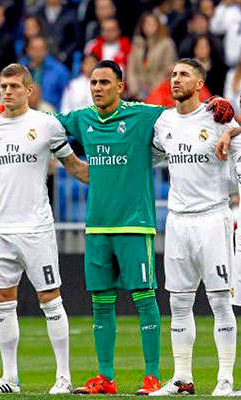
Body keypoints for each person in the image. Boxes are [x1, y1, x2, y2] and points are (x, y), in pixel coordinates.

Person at [0, 59, 235, 395]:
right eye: (94, 82)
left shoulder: (147, 115)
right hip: (97, 226)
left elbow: (190, 117)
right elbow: (42, 123)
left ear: (120, 85)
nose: (98, 88)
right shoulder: (81, 118)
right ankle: (106, 377)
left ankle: (153, 376)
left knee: (147, 299)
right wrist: (4, 107)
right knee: (102, 302)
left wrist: (222, 112)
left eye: (104, 82)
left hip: (136, 224)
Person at [0, 63, 88, 394]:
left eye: (14, 86)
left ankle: (63, 377)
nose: (7, 91)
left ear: (29, 90)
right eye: (3, 86)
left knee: (50, 298)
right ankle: (9, 377)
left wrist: (108, 177)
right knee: (3, 300)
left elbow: (73, 166)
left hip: (36, 227)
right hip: (2, 227)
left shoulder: (46, 125)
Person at [149, 58, 238, 396]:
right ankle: (182, 377)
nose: (175, 79)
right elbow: (154, 153)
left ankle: (225, 378)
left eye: (184, 74)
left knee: (219, 302)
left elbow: (238, 132)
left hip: (212, 218)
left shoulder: (217, 117)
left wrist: (233, 129)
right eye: (172, 74)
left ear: (200, 83)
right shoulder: (164, 122)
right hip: (178, 221)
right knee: (179, 304)